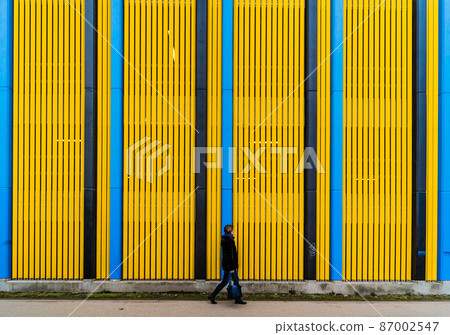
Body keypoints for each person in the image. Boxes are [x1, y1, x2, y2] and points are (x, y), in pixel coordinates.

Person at [208, 225, 247, 304]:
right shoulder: (229, 241)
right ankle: (212, 295)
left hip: (229, 265)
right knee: (225, 282)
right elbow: (229, 255)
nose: (233, 231)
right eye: (233, 230)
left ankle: (237, 298)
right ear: (230, 231)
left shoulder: (226, 239)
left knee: (236, 281)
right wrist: (232, 267)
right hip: (230, 266)